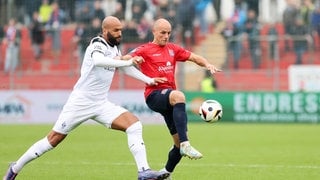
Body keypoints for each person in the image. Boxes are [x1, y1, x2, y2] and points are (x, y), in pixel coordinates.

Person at [3, 16, 170, 180]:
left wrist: (148, 79)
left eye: (121, 30)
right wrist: (128, 61)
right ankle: (15, 168)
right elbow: (98, 61)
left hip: (101, 104)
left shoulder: (114, 48)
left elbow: (124, 68)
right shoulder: (96, 44)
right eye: (116, 30)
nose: (120, 33)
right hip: (81, 103)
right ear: (105, 31)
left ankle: (143, 171)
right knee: (53, 140)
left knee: (134, 125)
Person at [122, 18, 221, 179]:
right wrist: (132, 60)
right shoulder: (144, 49)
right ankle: (186, 144)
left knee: (177, 143)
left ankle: (166, 173)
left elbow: (194, 57)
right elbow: (123, 59)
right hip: (154, 95)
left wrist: (207, 64)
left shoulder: (173, 49)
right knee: (179, 95)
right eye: (163, 32)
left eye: (168, 33)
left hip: (169, 99)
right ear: (154, 32)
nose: (166, 36)